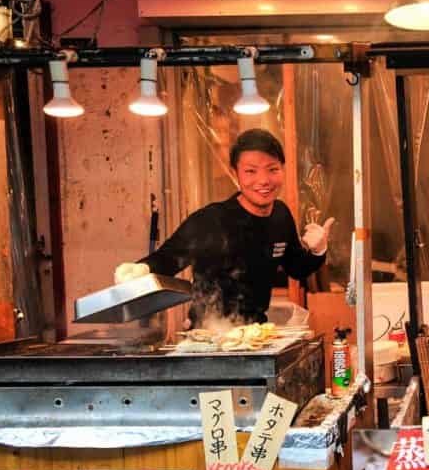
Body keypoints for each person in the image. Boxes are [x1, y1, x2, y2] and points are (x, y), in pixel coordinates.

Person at [114, 128, 334, 327]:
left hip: (256, 332)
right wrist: (140, 270)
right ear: (236, 173)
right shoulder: (211, 220)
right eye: (251, 171)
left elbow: (296, 268)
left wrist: (318, 250)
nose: (263, 180)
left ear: (283, 170)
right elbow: (169, 259)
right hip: (208, 334)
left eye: (272, 169)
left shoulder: (280, 215)